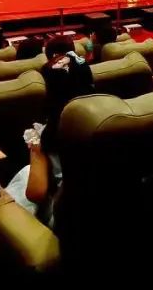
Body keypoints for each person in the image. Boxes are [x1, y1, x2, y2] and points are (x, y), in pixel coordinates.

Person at [6, 48, 95, 226]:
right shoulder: (111, 121)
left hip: (68, 219)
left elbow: (35, 193)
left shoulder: (48, 135)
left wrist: (36, 149)